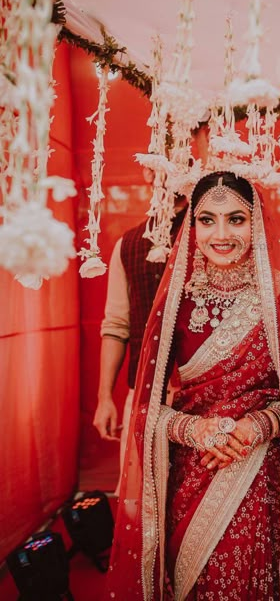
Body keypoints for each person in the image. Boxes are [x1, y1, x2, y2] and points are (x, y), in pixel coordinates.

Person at [105, 171, 280, 600]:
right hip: (192, 471)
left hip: (263, 479)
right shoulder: (176, 301)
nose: (220, 234)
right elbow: (146, 410)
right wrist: (198, 430)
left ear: (257, 223)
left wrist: (253, 428)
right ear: (192, 225)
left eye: (236, 219)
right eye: (207, 220)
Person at [93, 170, 187, 494]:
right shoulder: (128, 244)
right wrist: (105, 397)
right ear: (148, 171)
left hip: (206, 396)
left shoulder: (210, 235)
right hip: (146, 395)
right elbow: (116, 325)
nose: (172, 172)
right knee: (140, 501)